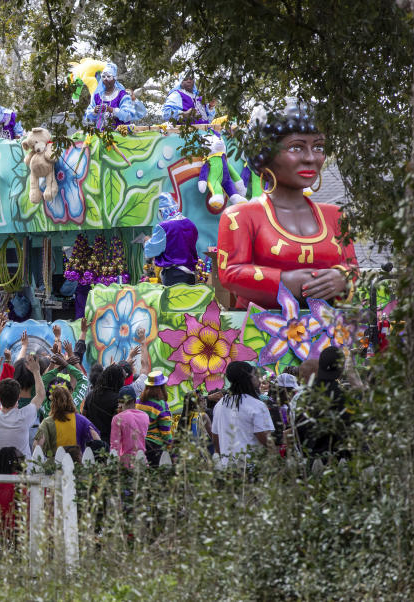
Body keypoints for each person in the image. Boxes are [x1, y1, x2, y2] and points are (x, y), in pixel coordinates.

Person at [216, 100, 358, 309]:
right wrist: (283, 281)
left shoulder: (336, 216)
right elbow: (230, 273)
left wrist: (341, 278)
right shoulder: (240, 216)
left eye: (318, 147)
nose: (311, 158)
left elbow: (352, 267)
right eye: (296, 147)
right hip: (259, 334)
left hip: (330, 333)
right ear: (265, 155)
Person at [0, 317, 45, 458]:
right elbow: (40, 395)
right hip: (23, 473)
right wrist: (36, 371)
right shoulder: (24, 416)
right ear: (18, 397)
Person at [211, 361, 276, 468]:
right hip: (251, 469)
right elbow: (265, 439)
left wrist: (223, 459)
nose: (258, 379)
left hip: (228, 469)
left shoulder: (220, 404)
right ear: (247, 378)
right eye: (255, 375)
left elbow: (215, 438)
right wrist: (277, 461)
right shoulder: (257, 405)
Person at [143, 193, 199, 286]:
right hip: (191, 275)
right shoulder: (191, 224)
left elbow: (151, 251)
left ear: (162, 210)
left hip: (174, 275)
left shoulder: (164, 227)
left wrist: (147, 241)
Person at [34, 385, 100, 462]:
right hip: (77, 463)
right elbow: (96, 437)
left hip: (55, 465)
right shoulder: (82, 420)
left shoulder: (47, 422)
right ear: (70, 399)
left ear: (53, 403)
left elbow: (38, 444)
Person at [84, 61, 146, 130]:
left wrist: (112, 110)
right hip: (100, 135)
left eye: (109, 77)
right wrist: (94, 111)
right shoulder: (96, 96)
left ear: (114, 78)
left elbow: (127, 115)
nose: (106, 80)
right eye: (103, 77)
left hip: (120, 136)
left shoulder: (122, 95)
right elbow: (87, 117)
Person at [135, 371, 173, 466]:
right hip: (155, 448)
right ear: (161, 387)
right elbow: (165, 432)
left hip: (138, 445)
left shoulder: (137, 402)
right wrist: (172, 450)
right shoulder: (161, 405)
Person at [108, 385, 151, 468]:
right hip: (143, 462)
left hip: (126, 465)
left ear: (120, 402)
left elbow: (114, 446)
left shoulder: (117, 418)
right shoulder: (145, 416)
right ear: (135, 400)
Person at [81, 364, 126, 442]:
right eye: (123, 378)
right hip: (111, 444)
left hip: (91, 441)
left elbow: (84, 418)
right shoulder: (120, 399)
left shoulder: (91, 395)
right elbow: (121, 424)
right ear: (119, 379)